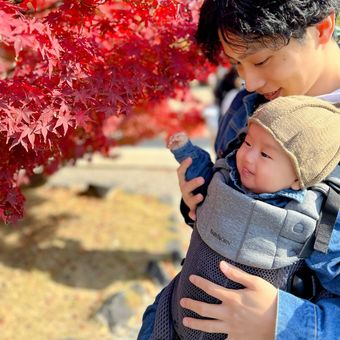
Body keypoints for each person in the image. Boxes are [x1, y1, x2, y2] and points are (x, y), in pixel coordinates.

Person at [138, 0, 340, 339]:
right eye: (237, 64)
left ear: (321, 29)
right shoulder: (244, 109)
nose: (249, 81)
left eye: (260, 60)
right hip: (172, 321)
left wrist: (285, 321)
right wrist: (201, 202)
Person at [147, 96, 340, 339]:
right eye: (247, 143)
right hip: (169, 319)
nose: (248, 157)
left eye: (265, 155)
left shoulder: (320, 219)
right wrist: (187, 153)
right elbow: (206, 177)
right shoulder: (229, 174)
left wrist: (281, 318)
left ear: (298, 179)